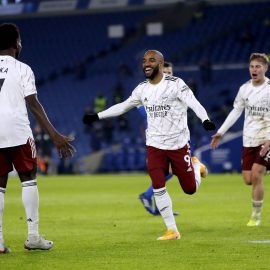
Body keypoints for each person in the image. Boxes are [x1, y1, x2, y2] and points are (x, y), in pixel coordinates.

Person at [83, 49, 215, 240]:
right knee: (158, 186)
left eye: (152, 60)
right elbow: (124, 106)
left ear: (161, 64)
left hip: (178, 145)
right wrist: (97, 116)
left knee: (190, 189)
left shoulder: (176, 84)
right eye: (144, 61)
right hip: (154, 145)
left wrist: (205, 120)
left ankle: (196, 165)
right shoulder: (141, 88)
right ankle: (172, 230)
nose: (147, 63)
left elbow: (194, 103)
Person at [0, 23, 76, 254]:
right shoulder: (23, 68)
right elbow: (33, 104)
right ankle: (33, 236)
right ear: (16, 44)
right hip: (19, 132)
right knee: (28, 179)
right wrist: (55, 136)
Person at [138, 61, 207, 216]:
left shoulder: (176, 88)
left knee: (170, 171)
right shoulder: (148, 88)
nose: (167, 75)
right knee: (170, 170)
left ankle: (149, 198)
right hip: (158, 138)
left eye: (170, 72)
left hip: (177, 136)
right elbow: (140, 108)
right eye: (165, 72)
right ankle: (148, 197)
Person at [210, 53, 270, 227]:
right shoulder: (244, 89)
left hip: (266, 139)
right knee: (248, 179)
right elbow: (236, 111)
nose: (254, 69)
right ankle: (266, 167)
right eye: (252, 66)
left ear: (265, 68)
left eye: (258, 66)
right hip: (249, 139)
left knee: (257, 174)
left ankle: (256, 216)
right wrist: (220, 132)